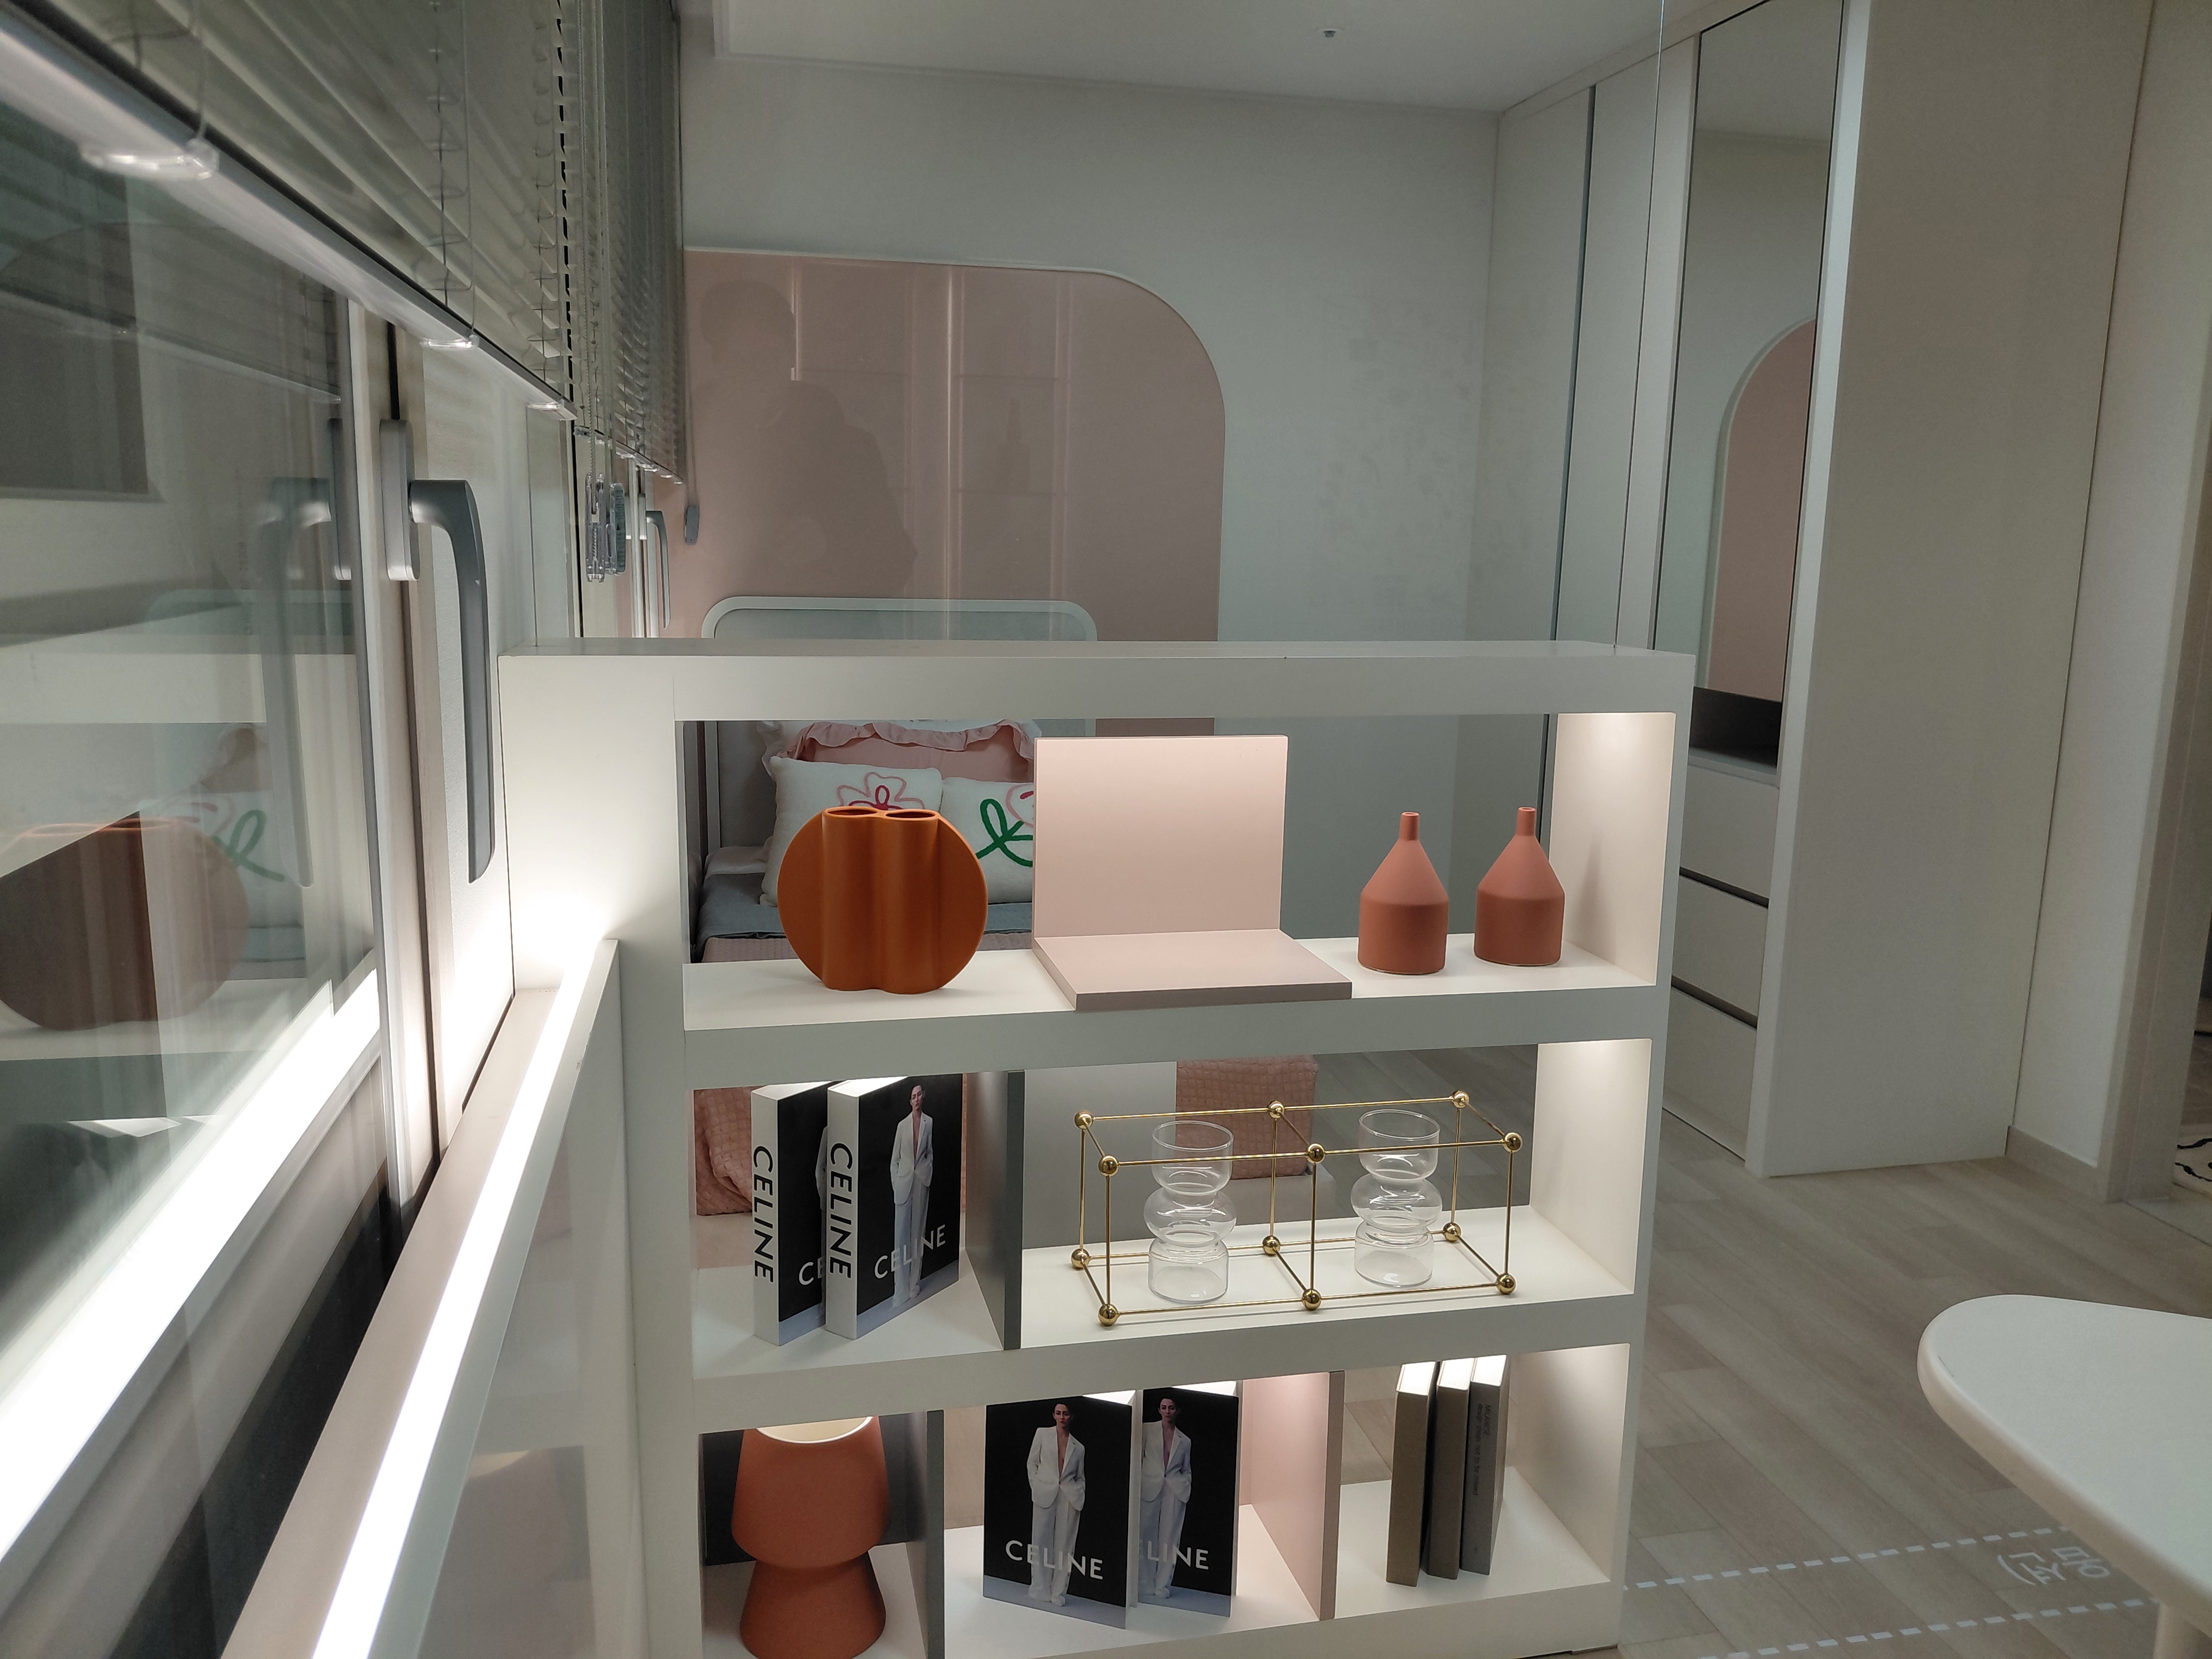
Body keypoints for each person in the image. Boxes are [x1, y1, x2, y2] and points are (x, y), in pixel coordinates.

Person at [692, 278, 918, 598]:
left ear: (790, 357)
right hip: (716, 627)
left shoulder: (851, 451)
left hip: (820, 629)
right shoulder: (681, 453)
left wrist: (831, 539)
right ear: (719, 362)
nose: (754, 372)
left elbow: (897, 562)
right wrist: (699, 545)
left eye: (767, 356)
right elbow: (651, 556)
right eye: (740, 358)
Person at [1025, 1403, 1085, 1605]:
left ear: (1071, 1416)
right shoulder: (1042, 1434)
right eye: (1058, 1413)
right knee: (1040, 1541)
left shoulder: (1079, 1447)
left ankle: (1058, 1592)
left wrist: (1078, 1493)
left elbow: (1080, 1476)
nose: (1062, 1417)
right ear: (1054, 1415)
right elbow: (1032, 1462)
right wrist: (1036, 1485)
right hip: (1045, 1491)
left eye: (1065, 1414)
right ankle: (1040, 1589)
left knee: (1065, 1546)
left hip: (1068, 1496)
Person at [1138, 1393, 1193, 1601]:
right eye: (1164, 1407)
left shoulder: (1185, 1441)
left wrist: (1184, 1484)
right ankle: (1145, 1582)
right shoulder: (1146, 1429)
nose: (1167, 1411)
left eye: (1171, 1408)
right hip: (1149, 1485)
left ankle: (1162, 1584)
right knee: (1145, 1534)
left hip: (1174, 1489)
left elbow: (1187, 1469)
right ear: (1159, 1410)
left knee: (1170, 1537)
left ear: (1177, 1410)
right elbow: (1138, 1458)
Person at [887, 1084, 934, 1304]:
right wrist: (896, 1182)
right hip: (904, 1182)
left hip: (921, 1181)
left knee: (918, 1234)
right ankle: (900, 1289)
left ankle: (914, 1284)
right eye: (913, 1096)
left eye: (919, 1095)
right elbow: (894, 1160)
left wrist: (927, 1172)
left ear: (923, 1097)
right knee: (900, 1237)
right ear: (910, 1100)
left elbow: (930, 1152)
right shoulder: (902, 1125)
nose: (916, 1099)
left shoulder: (929, 1123)